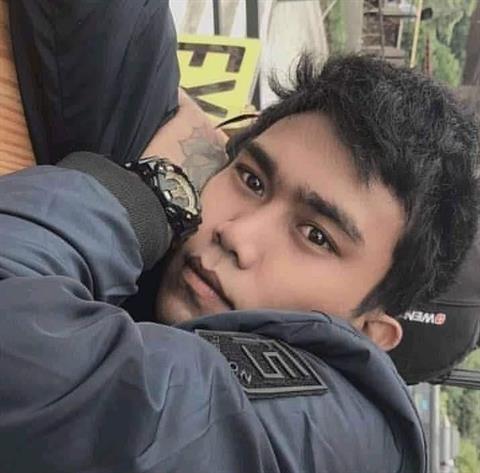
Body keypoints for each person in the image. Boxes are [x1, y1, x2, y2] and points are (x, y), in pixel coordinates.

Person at [1, 1, 478, 472]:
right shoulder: (191, 220)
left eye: (316, 236)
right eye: (252, 180)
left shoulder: (334, 439)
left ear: (370, 333)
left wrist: (142, 196)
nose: (236, 235)